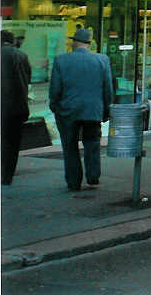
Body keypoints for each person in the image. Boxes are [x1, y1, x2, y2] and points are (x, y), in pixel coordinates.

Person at [49, 28, 114, 190]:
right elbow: (108, 89)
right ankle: (93, 176)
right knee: (92, 143)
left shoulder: (61, 60)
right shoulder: (102, 60)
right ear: (89, 43)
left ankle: (73, 181)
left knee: (69, 146)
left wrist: (55, 106)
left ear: (74, 42)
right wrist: (106, 110)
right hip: (92, 110)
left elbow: (55, 89)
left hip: (68, 111)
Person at [1, 30, 32, 185]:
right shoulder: (21, 56)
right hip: (16, 108)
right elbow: (28, 78)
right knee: (12, 144)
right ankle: (6, 176)